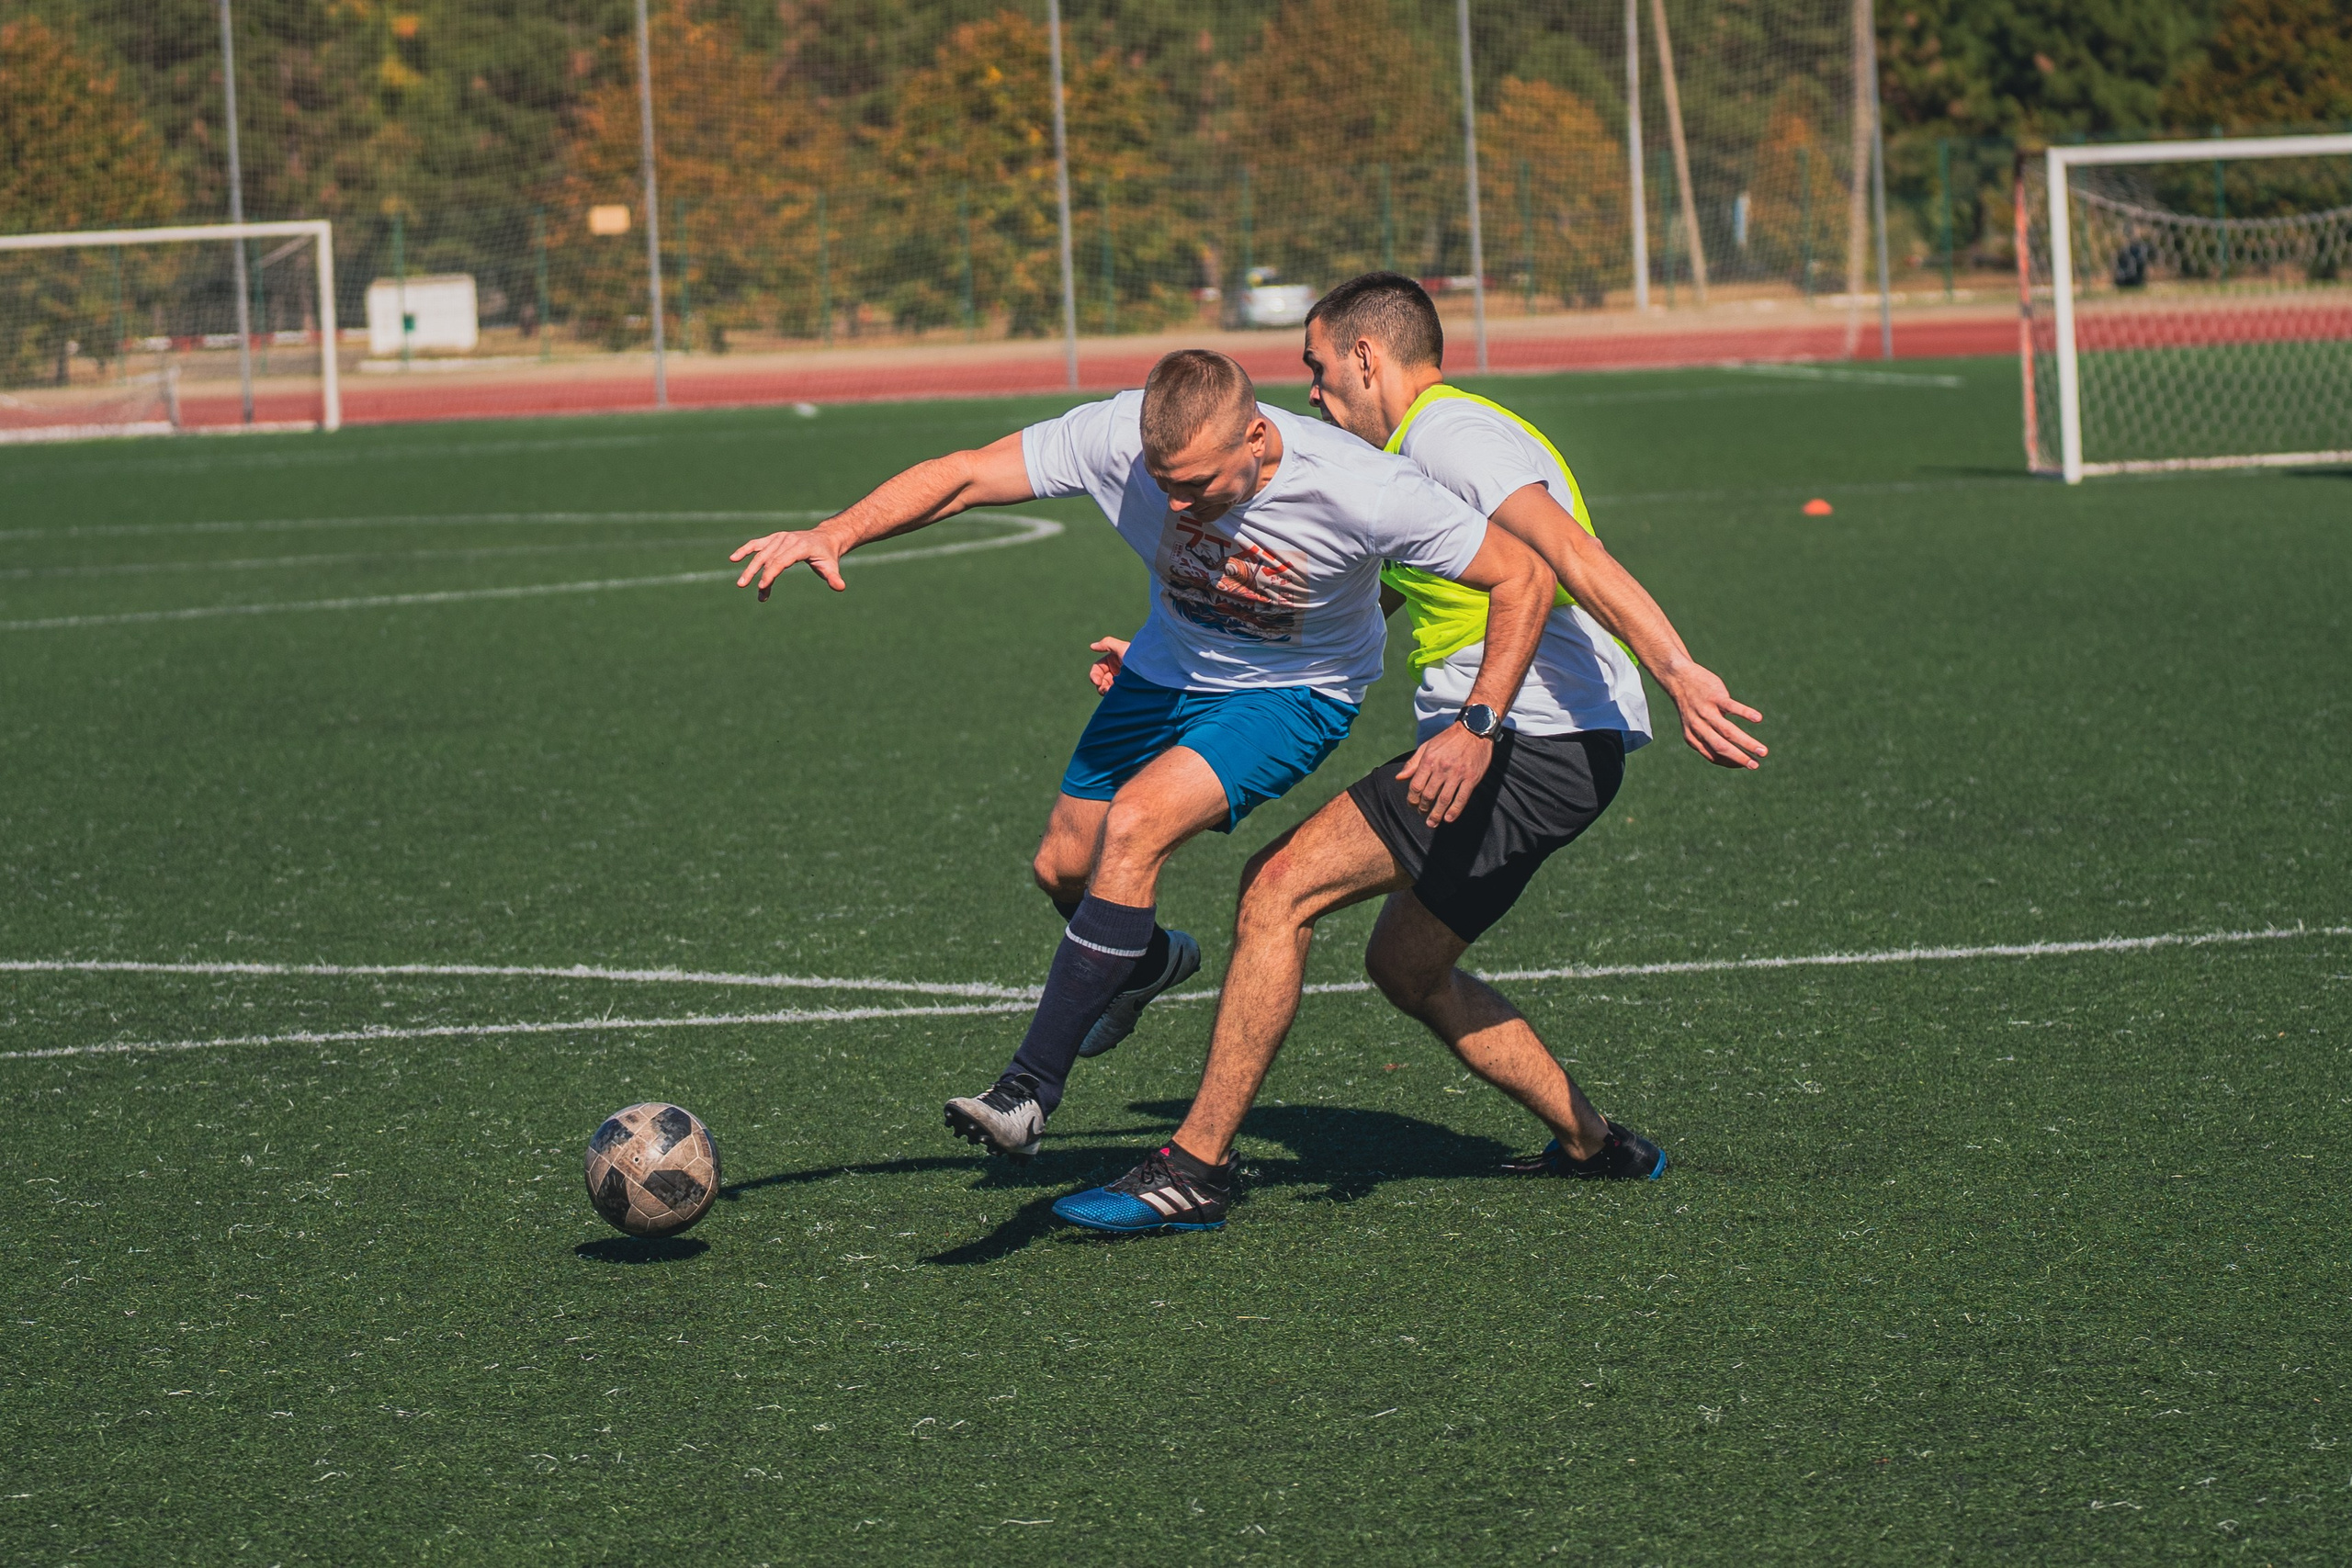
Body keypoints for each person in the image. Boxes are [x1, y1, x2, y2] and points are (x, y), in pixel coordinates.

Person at [1052, 275, 1767, 1234]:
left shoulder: (1448, 436)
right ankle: (1596, 1144)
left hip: (1531, 739)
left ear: (1366, 356)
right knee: (1406, 966)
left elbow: (1564, 555)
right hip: (1554, 748)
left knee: (1277, 891)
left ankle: (1194, 1169)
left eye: (1316, 367)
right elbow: (1363, 599)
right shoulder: (1403, 456)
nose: (1309, 392)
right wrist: (1176, 651)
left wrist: (1676, 670)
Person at [729, 347, 1555, 1158]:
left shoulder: (1364, 486)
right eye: (1165, 485)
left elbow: (1522, 575)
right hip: (1167, 667)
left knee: (1135, 824)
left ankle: (1026, 1091)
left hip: (1293, 694)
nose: (1179, 503)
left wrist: (1477, 723)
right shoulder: (1116, 436)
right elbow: (968, 475)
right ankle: (1151, 961)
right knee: (1062, 867)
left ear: (1256, 438)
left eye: (1197, 484)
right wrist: (837, 531)